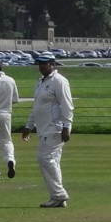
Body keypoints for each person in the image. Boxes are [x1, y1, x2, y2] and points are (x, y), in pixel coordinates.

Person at [23, 55, 73, 208]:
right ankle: (57, 198)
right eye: (40, 64)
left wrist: (67, 127)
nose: (41, 66)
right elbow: (37, 107)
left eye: (45, 64)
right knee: (52, 162)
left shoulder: (59, 81)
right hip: (43, 128)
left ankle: (59, 194)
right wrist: (28, 126)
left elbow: (67, 105)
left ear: (53, 64)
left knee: (45, 158)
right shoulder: (40, 82)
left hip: (55, 128)